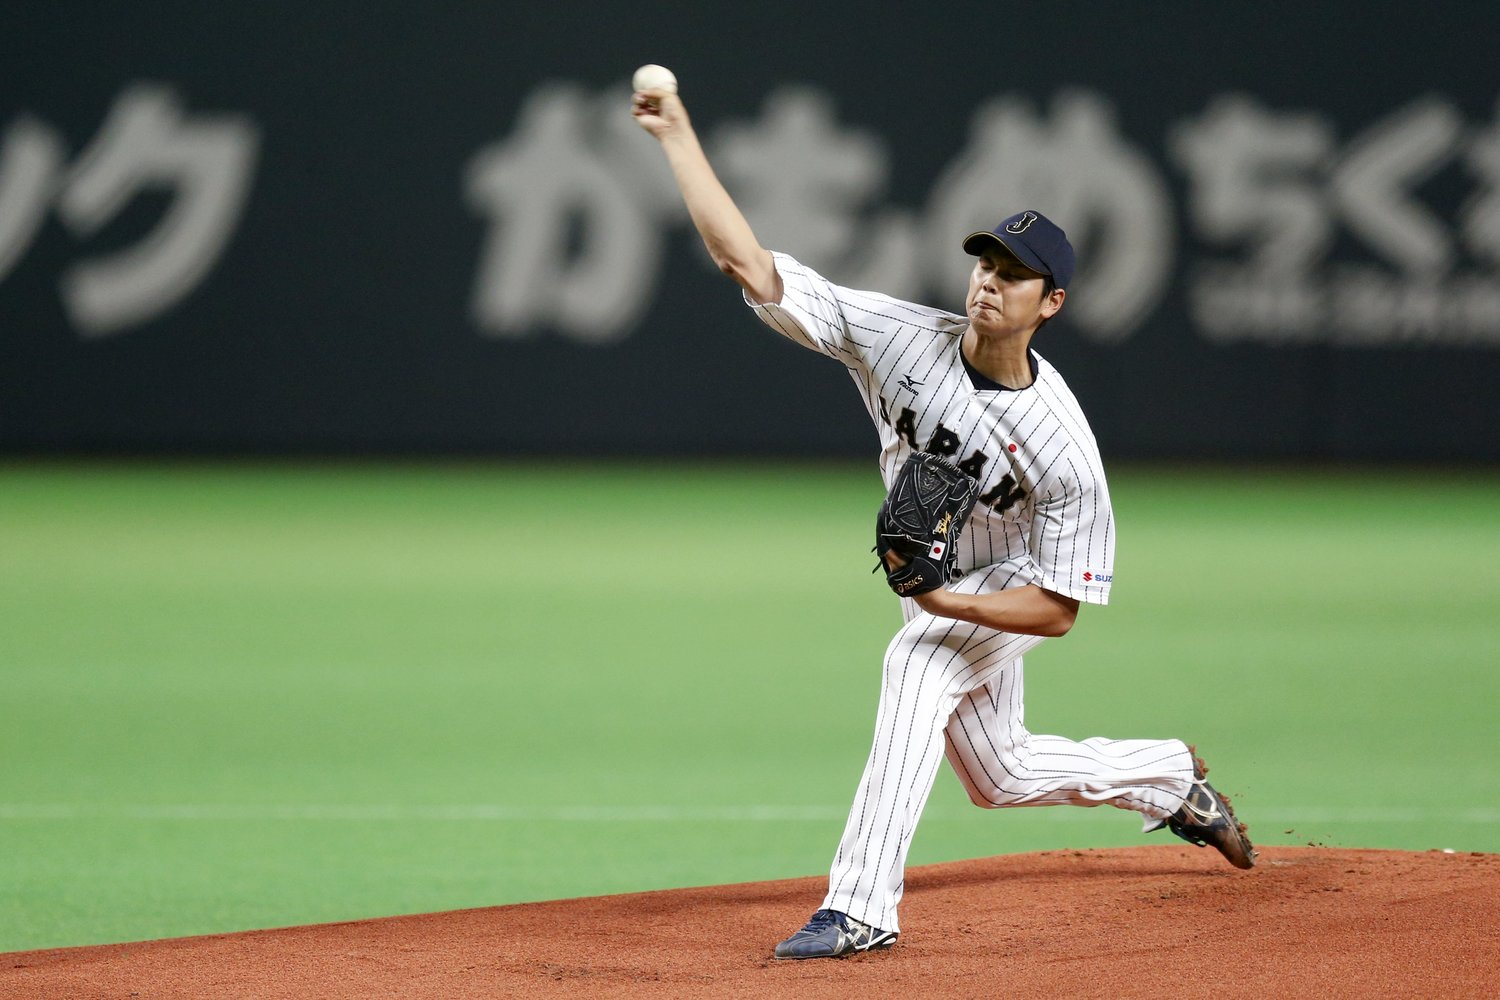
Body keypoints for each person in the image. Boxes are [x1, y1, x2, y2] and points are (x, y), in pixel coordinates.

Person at [632, 82, 1255, 961]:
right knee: (998, 775)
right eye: (984, 266)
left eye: (1013, 276)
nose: (990, 284)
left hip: (1001, 588)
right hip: (932, 579)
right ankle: (1166, 778)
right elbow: (750, 265)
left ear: (1052, 304)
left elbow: (1059, 609)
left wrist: (948, 606)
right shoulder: (899, 338)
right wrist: (678, 137)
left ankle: (861, 908)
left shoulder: (1064, 448)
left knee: (916, 668)